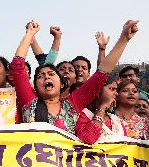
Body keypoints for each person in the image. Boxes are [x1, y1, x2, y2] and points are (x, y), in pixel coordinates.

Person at [11, 20, 139, 135]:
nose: (46, 77)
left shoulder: (73, 104)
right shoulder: (28, 100)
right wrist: (30, 34)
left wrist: (124, 39)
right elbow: (17, 66)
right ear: (36, 87)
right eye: (40, 76)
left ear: (62, 84)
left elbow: (101, 74)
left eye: (51, 74)